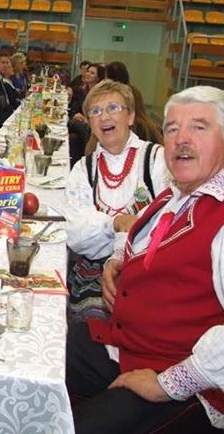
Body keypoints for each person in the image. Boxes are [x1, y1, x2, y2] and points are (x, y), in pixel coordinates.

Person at [67, 85, 224, 434]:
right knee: (45, 353)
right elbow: (144, 232)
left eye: (199, 127)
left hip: (196, 386)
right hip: (138, 345)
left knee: (84, 432)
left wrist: (168, 384)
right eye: (172, 129)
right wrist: (118, 259)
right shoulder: (182, 193)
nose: (181, 139)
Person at [65, 80, 169, 321]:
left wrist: (116, 242)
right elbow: (75, 235)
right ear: (90, 123)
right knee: (89, 326)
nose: (104, 117)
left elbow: (167, 222)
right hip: (94, 274)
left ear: (130, 116)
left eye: (113, 108)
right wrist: (115, 223)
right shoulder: (84, 169)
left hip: (148, 270)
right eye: (95, 111)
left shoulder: (157, 159)